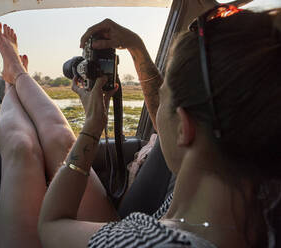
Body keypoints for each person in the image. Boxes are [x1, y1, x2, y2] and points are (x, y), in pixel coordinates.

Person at [36, 6, 281, 248]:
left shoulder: (152, 242)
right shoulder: (261, 200)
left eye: (164, 98)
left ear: (185, 129)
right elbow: (173, 133)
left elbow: (51, 224)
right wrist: (136, 46)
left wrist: (92, 125)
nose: (158, 111)